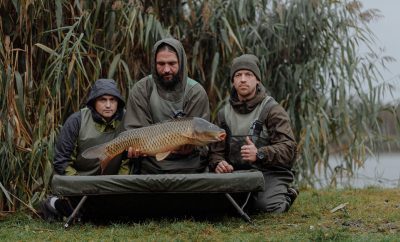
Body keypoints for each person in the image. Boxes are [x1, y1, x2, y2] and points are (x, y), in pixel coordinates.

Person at [209, 54, 298, 213]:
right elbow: (216, 152)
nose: (243, 79)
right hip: (238, 173)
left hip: (269, 173)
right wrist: (218, 164)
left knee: (266, 207)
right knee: (217, 208)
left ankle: (287, 195)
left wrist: (260, 153)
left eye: (248, 74)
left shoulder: (272, 110)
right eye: (238, 75)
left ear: (257, 80)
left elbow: (289, 149)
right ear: (233, 81)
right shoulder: (223, 114)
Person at [40, 78, 128, 221]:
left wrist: (119, 184)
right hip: (80, 183)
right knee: (88, 215)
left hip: (113, 184)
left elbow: (128, 160)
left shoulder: (127, 118)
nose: (108, 105)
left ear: (118, 102)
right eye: (102, 100)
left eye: (113, 100)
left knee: (114, 215)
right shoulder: (77, 120)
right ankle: (53, 203)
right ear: (94, 101)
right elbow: (62, 161)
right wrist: (81, 185)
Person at [123, 37, 210, 174]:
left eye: (172, 63)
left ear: (181, 63)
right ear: (153, 63)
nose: (166, 69)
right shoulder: (141, 89)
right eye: (161, 64)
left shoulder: (195, 92)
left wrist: (191, 147)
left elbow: (202, 142)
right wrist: (134, 149)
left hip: (188, 166)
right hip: (151, 166)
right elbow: (135, 132)